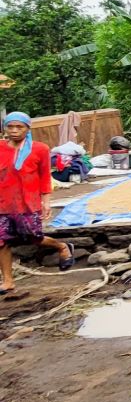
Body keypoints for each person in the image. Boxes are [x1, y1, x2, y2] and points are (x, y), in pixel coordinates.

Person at [0, 112, 75, 296]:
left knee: (33, 236)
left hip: (28, 202)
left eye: (20, 127)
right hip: (3, 203)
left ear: (27, 129)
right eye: (11, 127)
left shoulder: (39, 149)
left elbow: (44, 177)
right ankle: (8, 281)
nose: (15, 131)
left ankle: (62, 247)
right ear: (5, 128)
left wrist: (46, 201)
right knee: (1, 241)